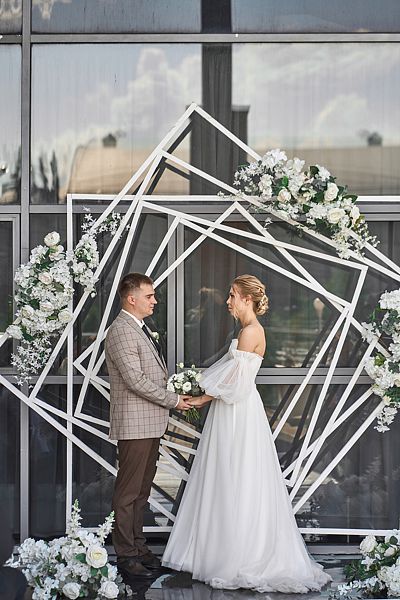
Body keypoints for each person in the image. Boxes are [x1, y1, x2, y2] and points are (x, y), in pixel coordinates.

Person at [162, 274, 332, 593]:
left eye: (232, 295)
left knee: (237, 474)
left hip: (238, 410)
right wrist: (197, 383)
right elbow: (226, 371)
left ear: (247, 299)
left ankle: (239, 554)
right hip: (234, 408)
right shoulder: (245, 330)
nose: (227, 301)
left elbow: (235, 382)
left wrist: (201, 397)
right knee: (228, 475)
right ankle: (223, 549)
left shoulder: (251, 331)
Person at [105, 272, 192, 578]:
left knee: (141, 492)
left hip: (149, 424)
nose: (155, 301)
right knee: (128, 493)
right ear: (132, 299)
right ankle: (126, 556)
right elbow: (135, 380)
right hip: (135, 425)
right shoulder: (121, 331)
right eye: (150, 296)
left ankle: (139, 548)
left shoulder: (138, 328)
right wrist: (174, 400)